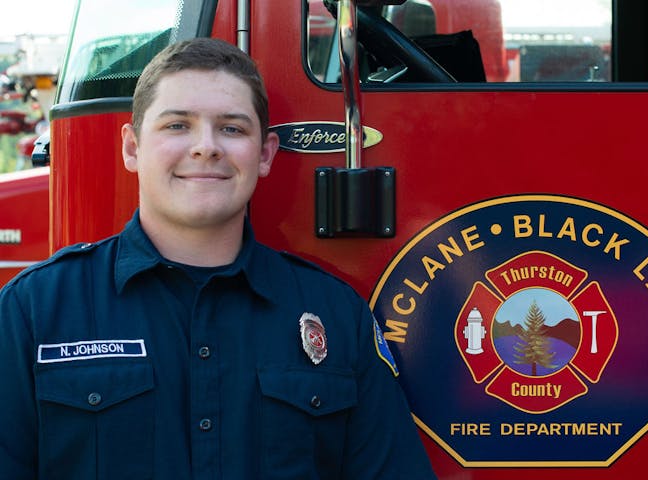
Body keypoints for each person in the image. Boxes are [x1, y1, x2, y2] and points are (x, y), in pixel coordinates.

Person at [0, 37, 437, 479]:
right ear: (132, 148)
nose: (205, 147)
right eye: (177, 126)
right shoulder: (34, 310)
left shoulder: (338, 316)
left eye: (232, 128)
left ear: (265, 154)